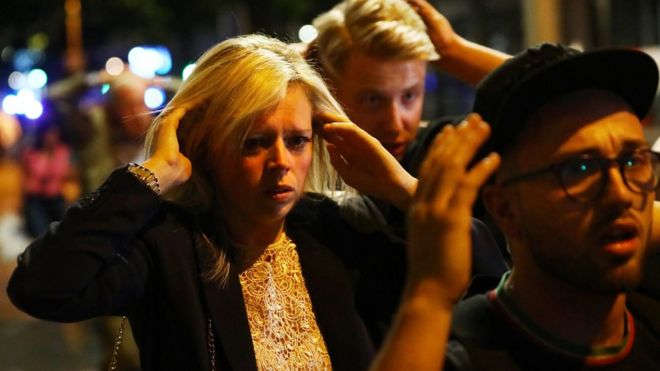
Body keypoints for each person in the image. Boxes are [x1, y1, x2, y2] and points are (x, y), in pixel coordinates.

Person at [6, 34, 423, 370]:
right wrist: (152, 175)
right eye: (254, 143)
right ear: (207, 147)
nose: (281, 162)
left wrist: (402, 188)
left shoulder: (342, 227)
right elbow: (40, 286)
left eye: (296, 140)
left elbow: (475, 275)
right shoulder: (168, 245)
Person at [371, 43, 660, 370]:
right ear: (505, 209)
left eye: (633, 160)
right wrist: (429, 293)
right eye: (579, 169)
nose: (621, 195)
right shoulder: (456, 356)